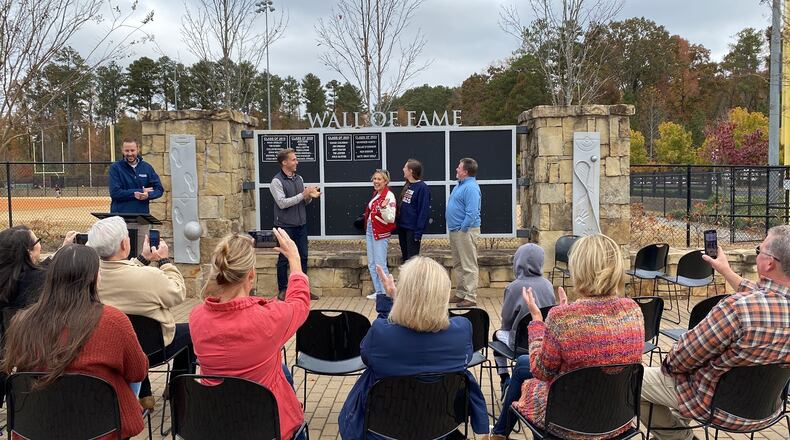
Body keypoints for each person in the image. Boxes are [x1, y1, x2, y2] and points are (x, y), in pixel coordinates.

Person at [486, 234, 644, 440]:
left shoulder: (562, 318)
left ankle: (499, 434)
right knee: (523, 364)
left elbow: (541, 372)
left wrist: (537, 321)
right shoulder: (633, 310)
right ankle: (498, 434)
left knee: (529, 380)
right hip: (615, 419)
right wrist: (564, 320)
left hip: (569, 421)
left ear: (577, 268)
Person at [640, 225, 790, 440]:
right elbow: (768, 295)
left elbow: (681, 359)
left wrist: (670, 367)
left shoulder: (736, 309)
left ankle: (680, 437)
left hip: (716, 406)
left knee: (632, 381)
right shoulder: (757, 305)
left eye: (759, 250)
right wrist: (725, 270)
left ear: (769, 263)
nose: (757, 253)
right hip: (765, 409)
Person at [2, 244, 149, 439]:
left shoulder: (22, 321)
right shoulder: (113, 320)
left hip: (39, 425)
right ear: (94, 278)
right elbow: (137, 372)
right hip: (103, 428)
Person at [339, 256, 489, 439]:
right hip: (440, 429)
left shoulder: (382, 334)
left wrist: (389, 304)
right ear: (442, 295)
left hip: (382, 432)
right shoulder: (462, 330)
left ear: (404, 293)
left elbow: (367, 355)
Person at [190, 228, 310, 440]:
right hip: (268, 426)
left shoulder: (197, 317)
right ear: (251, 275)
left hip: (217, 423)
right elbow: (299, 303)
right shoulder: (270, 318)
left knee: (282, 370)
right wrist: (295, 260)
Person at [87, 215, 192, 411]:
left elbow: (119, 270)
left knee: (130, 333)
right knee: (192, 331)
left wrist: (143, 259)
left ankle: (144, 395)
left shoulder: (89, 277)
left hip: (112, 352)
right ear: (124, 244)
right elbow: (177, 293)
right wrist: (165, 262)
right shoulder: (149, 277)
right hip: (154, 351)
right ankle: (179, 390)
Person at [493, 243, 556, 395]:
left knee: (496, 335)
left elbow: (506, 322)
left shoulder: (514, 287)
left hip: (519, 343)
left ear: (517, 261)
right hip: (542, 340)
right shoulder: (548, 285)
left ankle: (504, 378)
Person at [270, 148, 321, 301]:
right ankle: (283, 290)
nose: (296, 162)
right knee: (284, 259)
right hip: (285, 226)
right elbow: (282, 203)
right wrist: (302, 195)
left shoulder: (299, 178)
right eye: (293, 159)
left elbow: (302, 201)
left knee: (303, 257)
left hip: (301, 225)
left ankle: (302, 290)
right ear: (284, 163)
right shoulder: (276, 181)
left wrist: (310, 196)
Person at [0, 226, 77, 311]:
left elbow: (39, 269)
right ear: (29, 251)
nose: (40, 246)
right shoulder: (40, 280)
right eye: (37, 241)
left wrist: (63, 248)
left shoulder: (8, 276)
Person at [447, 157, 481, 307]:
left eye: (459, 168)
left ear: (465, 172)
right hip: (456, 231)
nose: (456, 169)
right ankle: (461, 293)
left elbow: (472, 212)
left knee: (468, 265)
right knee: (459, 264)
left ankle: (470, 297)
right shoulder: (459, 185)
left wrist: (463, 228)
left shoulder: (471, 187)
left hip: (465, 232)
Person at [364, 169, 397, 300]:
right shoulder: (376, 194)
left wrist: (383, 208)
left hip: (381, 232)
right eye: (375, 179)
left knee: (380, 264)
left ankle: (386, 293)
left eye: (379, 179)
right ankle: (379, 292)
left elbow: (391, 218)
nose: (376, 181)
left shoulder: (389, 196)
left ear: (386, 181)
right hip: (371, 230)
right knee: (372, 264)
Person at [109, 137, 164, 214]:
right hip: (120, 217)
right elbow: (115, 193)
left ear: (138, 149)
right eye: (126, 151)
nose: (130, 153)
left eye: (132, 150)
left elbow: (159, 189)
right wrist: (138, 192)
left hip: (142, 218)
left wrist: (148, 195)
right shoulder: (115, 168)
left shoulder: (147, 168)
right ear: (122, 150)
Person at [396, 159, 431, 262]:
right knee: (405, 258)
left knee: (412, 261)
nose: (403, 169)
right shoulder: (407, 184)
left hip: (412, 229)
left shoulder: (422, 188)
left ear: (410, 171)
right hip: (402, 227)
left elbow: (423, 211)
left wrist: (418, 233)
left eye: (405, 168)